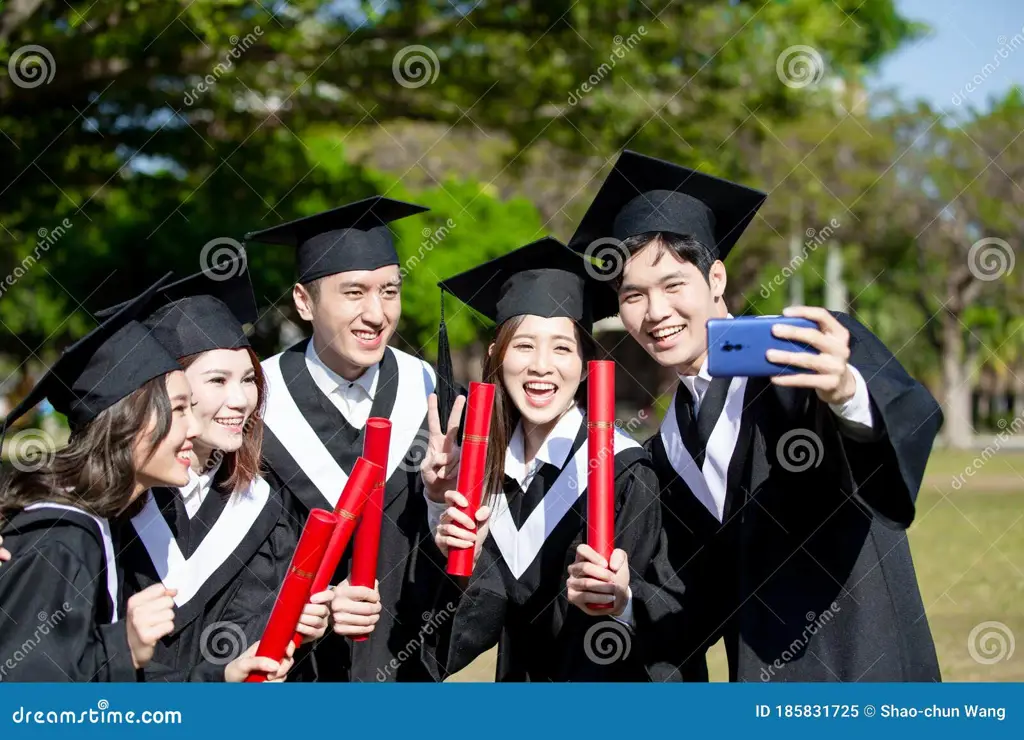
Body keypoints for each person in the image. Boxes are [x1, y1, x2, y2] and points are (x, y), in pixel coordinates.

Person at [568, 149, 942, 682]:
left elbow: (895, 441)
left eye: (674, 285)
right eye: (633, 295)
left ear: (715, 279)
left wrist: (847, 394)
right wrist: (623, 600)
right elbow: (695, 596)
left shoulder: (801, 358)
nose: (655, 313)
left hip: (863, 667)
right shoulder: (668, 447)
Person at [421, 237, 674, 681]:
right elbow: (455, 643)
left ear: (584, 363)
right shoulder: (490, 478)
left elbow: (669, 634)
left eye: (561, 347)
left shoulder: (625, 473)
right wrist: (450, 533)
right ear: (496, 358)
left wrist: (622, 603)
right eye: (523, 346)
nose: (542, 365)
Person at [245, 196, 456, 681]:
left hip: (403, 673)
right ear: (304, 301)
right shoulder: (257, 405)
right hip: (291, 677)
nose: (377, 313)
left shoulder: (429, 393)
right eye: (354, 292)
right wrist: (315, 601)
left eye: (390, 290)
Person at [100, 256, 329, 682]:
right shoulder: (115, 509)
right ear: (171, 390)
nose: (242, 399)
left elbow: (255, 636)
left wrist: (302, 623)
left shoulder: (261, 507)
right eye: (218, 381)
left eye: (248, 379)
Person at [0, 275, 224, 680]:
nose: (194, 427)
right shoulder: (58, 541)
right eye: (178, 409)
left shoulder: (101, 525)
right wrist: (125, 647)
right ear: (126, 422)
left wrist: (221, 680)